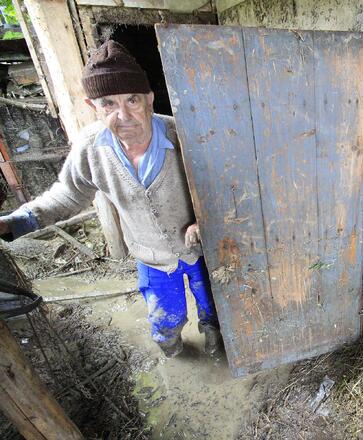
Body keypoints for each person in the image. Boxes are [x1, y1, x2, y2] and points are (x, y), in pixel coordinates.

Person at [0, 40, 222, 359]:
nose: (123, 115)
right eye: (108, 104)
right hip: (151, 258)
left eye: (132, 100)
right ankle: (176, 355)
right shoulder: (92, 148)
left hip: (200, 250)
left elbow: (218, 187)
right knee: (165, 322)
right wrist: (16, 221)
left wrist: (204, 220)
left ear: (149, 99)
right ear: (93, 106)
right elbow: (69, 195)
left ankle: (213, 337)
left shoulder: (180, 134)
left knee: (214, 306)